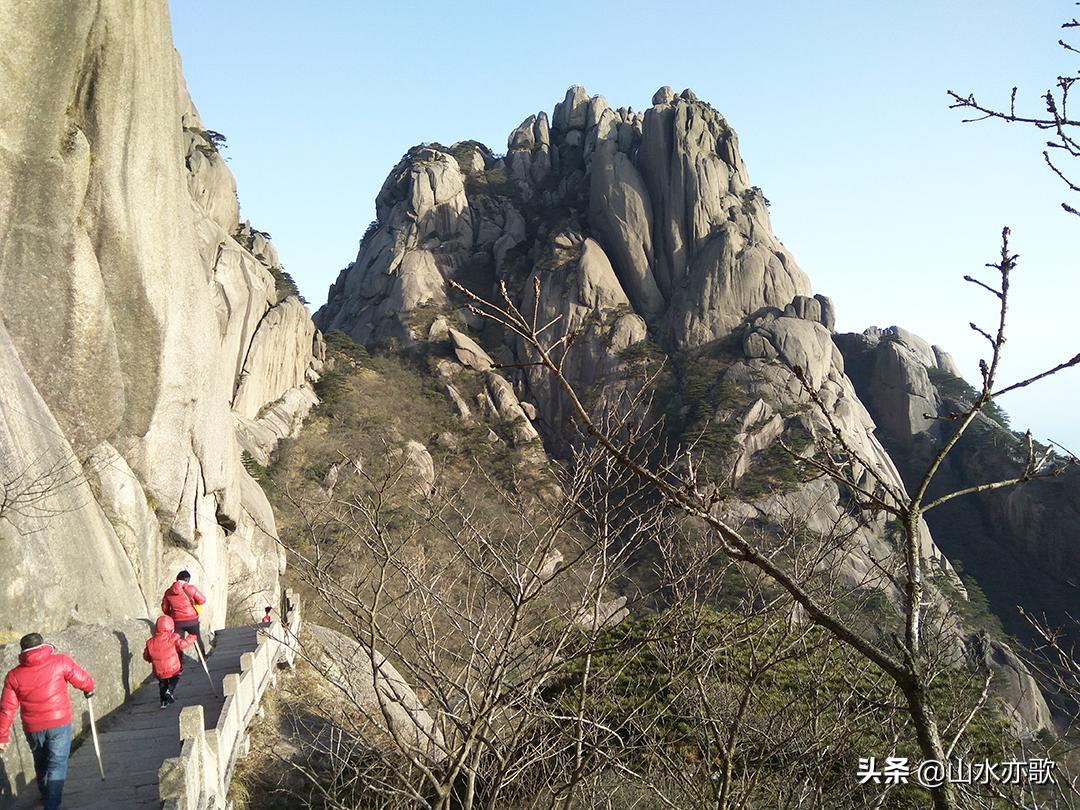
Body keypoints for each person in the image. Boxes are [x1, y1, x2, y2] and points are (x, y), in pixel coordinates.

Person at [0, 633, 95, 810]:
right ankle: (51, 805)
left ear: (23, 651)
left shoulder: (13, 676)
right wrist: (89, 688)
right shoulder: (60, 661)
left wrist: (2, 736)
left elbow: (7, 709)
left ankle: (46, 795)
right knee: (57, 764)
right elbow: (83, 680)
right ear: (43, 646)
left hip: (32, 727)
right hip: (59, 723)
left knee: (41, 762)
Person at [143, 616, 196, 709]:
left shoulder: (151, 642)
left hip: (159, 670)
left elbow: (146, 656)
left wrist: (151, 659)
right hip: (173, 668)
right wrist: (191, 638)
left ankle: (163, 702)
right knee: (175, 677)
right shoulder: (173, 637)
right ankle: (170, 691)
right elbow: (182, 645)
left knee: (162, 684)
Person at [161, 570, 208, 655]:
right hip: (192, 621)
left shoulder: (168, 592)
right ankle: (203, 657)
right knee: (197, 638)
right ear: (187, 580)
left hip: (177, 622)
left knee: (178, 643)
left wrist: (173, 615)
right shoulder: (191, 589)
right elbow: (202, 600)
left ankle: (179, 661)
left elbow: (165, 608)